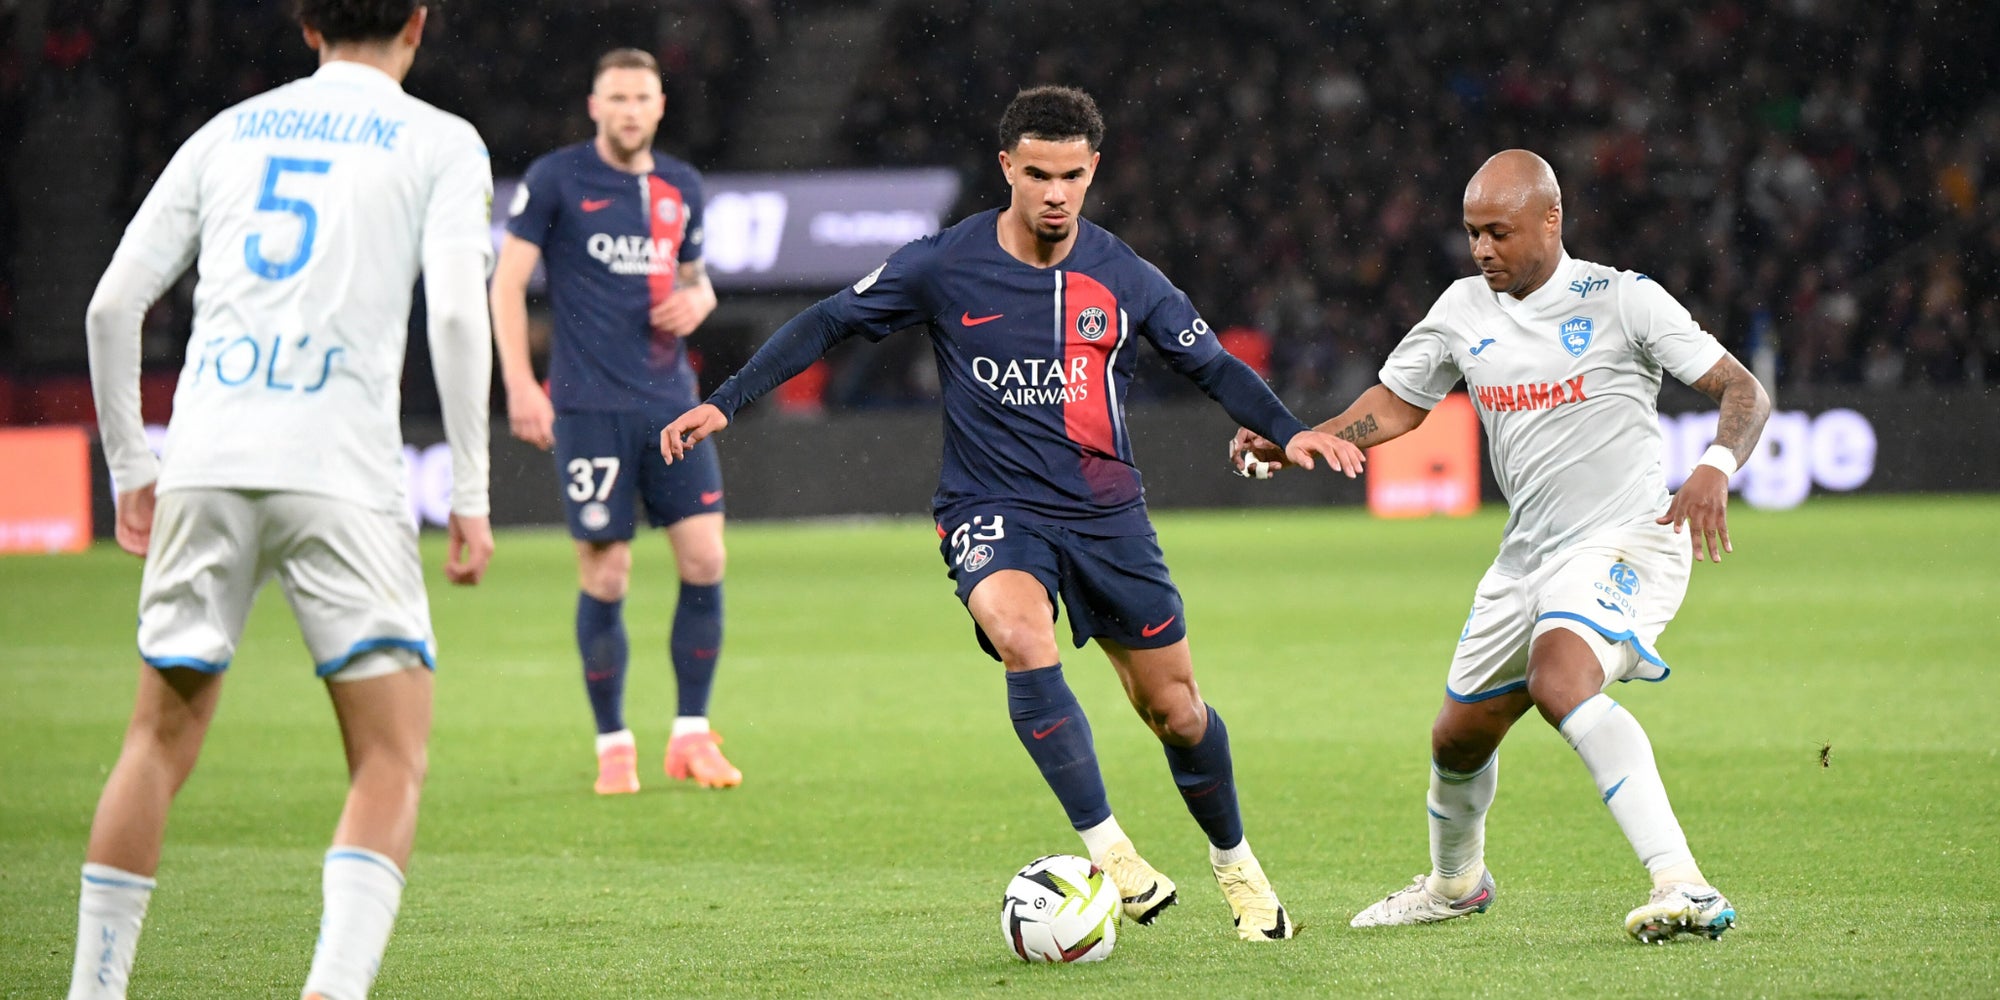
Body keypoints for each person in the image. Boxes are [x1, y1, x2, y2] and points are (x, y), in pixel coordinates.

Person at [661, 85, 1364, 941]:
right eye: (1037, 174)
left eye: (1071, 175)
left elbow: (1212, 364)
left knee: (1176, 712)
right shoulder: (944, 263)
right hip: (989, 506)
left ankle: (1237, 866)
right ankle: (1110, 852)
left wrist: (1289, 431)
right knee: (1021, 636)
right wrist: (726, 401)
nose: (1055, 193)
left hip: (1106, 515)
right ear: (1007, 168)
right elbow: (830, 320)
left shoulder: (1124, 275)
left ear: (1093, 170)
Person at [1232, 149, 1771, 942]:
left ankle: (1683, 882)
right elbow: (1399, 403)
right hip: (1527, 557)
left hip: (1627, 539)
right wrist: (1302, 438)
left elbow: (1742, 389)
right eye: (1473, 233)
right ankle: (1456, 885)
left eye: (1499, 232)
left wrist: (1716, 466)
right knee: (1458, 737)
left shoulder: (1624, 300)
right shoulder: (1462, 309)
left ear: (1551, 219)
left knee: (1561, 679)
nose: (1483, 248)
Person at [71, 2, 495, 997]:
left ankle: (92, 988)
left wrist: (133, 465)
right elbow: (454, 315)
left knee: (154, 741)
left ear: (307, 27)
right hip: (339, 465)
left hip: (207, 456)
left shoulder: (228, 131)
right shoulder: (440, 140)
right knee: (388, 757)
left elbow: (110, 305)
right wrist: (470, 490)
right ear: (418, 24)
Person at [491, 48, 737, 795]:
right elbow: (506, 284)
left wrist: (702, 299)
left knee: (706, 560)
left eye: (642, 98)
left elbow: (696, 279)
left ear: (660, 106)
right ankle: (613, 744)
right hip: (589, 407)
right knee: (606, 570)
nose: (630, 110)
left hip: (671, 403)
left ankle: (691, 735)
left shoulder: (681, 185)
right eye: (618, 98)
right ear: (595, 107)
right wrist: (520, 385)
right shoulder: (557, 178)